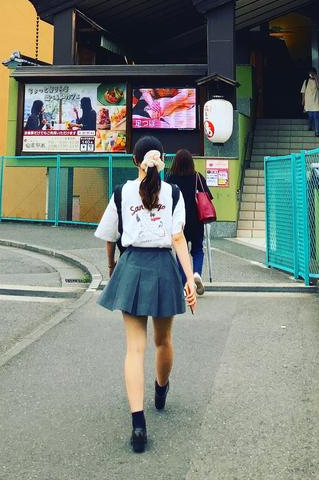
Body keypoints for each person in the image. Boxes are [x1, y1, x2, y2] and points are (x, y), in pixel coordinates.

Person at [94, 135, 197, 454]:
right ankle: (161, 389)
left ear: (135, 162)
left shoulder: (121, 192)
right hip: (165, 267)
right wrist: (189, 279)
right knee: (163, 342)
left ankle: (138, 424)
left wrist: (112, 265)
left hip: (133, 266)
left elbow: (110, 235)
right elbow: (178, 238)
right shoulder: (174, 193)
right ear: (161, 161)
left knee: (134, 349)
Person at [166, 149, 212, 295]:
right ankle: (196, 273)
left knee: (181, 251)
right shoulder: (198, 177)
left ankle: (185, 283)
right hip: (196, 220)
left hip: (178, 222)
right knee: (198, 249)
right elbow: (208, 197)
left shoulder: (170, 178)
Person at [301, 68, 319, 137]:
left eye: (313, 73)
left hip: (316, 101)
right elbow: (303, 92)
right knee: (310, 116)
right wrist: (303, 100)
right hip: (308, 102)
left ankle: (317, 132)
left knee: (316, 117)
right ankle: (310, 125)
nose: (311, 74)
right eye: (310, 73)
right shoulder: (306, 81)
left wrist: (316, 78)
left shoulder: (317, 81)